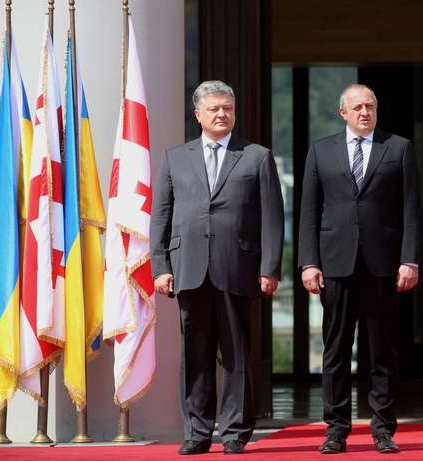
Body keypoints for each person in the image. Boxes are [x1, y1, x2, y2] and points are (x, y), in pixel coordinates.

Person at [150, 80, 284, 455]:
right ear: (198, 114)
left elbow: (273, 218)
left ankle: (235, 432)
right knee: (195, 354)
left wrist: (270, 267)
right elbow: (160, 216)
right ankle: (196, 431)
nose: (222, 114)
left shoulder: (256, 157)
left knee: (237, 355)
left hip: (238, 267)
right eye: (214, 109)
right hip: (188, 268)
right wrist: (160, 266)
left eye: (227, 108)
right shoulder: (175, 158)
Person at [298, 83, 422, 454]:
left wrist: (410, 259)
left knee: (382, 350)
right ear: (343, 112)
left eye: (370, 106)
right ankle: (336, 429)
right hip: (335, 262)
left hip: (383, 263)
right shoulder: (320, 150)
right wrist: (308, 262)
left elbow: (411, 209)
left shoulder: (398, 148)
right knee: (336, 349)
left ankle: (383, 429)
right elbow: (308, 211)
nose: (365, 112)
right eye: (357, 107)